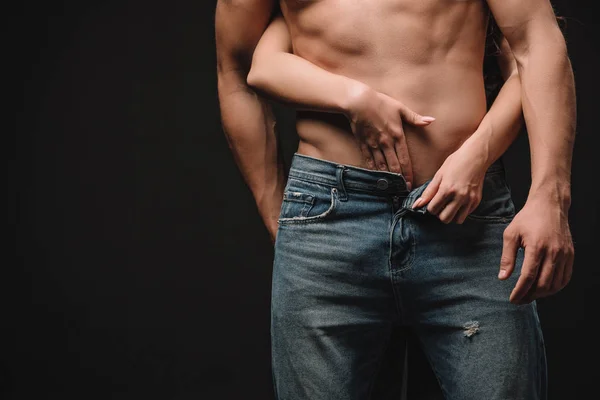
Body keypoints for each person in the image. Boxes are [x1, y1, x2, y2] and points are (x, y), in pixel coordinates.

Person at [215, 1, 576, 399]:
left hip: (465, 218)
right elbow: (237, 69)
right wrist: (276, 218)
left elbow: (537, 41)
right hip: (328, 221)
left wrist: (549, 196)